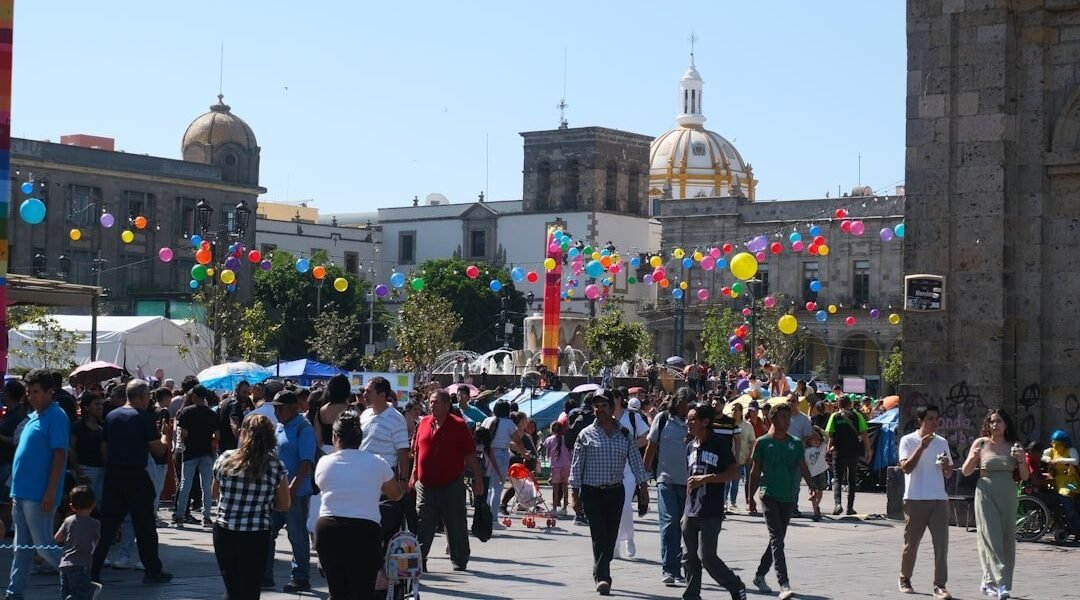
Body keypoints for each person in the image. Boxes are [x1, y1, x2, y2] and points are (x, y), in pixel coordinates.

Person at [90, 379, 173, 586]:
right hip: (136, 475)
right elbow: (158, 450)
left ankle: (93, 569)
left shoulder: (111, 416)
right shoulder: (144, 419)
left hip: (114, 475)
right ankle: (153, 571)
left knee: (108, 526)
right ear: (143, 397)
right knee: (145, 525)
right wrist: (164, 436)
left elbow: (104, 449)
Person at [315, 411, 403, 600]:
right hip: (364, 531)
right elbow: (395, 494)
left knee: (336, 591)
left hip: (328, 529)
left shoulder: (324, 462)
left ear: (335, 436)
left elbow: (321, 485)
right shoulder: (377, 462)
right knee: (362, 591)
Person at [569, 393, 650, 596]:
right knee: (599, 535)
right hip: (592, 492)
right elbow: (576, 467)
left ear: (612, 408)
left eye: (604, 405)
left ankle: (601, 567)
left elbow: (635, 461)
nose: (599, 409)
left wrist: (643, 487)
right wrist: (574, 494)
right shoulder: (585, 434)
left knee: (611, 536)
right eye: (596, 406)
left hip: (615, 491)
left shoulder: (624, 434)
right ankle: (603, 577)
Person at [5, 369, 70, 600]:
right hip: (21, 493)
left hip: (38, 494)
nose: (30, 396)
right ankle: (15, 592)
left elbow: (60, 455)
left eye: (35, 392)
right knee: (21, 548)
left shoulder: (57, 416)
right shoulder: (34, 417)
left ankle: (80, 582)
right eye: (28, 392)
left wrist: (50, 491)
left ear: (49, 392)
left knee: (44, 546)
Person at [212, 414, 290, 600]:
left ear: (243, 433)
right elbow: (285, 504)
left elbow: (215, 493)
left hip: (225, 530)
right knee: (251, 588)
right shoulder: (275, 466)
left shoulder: (225, 458)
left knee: (231, 587)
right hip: (256, 533)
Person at [748, 403, 820, 600]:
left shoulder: (796, 443)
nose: (787, 422)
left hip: (788, 497)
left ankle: (759, 575)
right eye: (783, 418)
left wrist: (812, 486)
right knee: (777, 539)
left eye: (789, 418)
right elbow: (754, 472)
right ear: (773, 419)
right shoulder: (762, 443)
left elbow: (803, 466)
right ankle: (784, 583)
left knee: (776, 540)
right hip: (768, 494)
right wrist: (750, 498)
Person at [410, 390, 485, 572]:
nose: (431, 405)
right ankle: (420, 559)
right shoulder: (424, 423)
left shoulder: (458, 425)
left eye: (435, 402)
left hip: (451, 484)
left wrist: (478, 480)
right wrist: (414, 473)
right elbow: (417, 451)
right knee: (422, 522)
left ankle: (459, 559)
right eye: (430, 402)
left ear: (446, 405)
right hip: (425, 484)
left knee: (455, 522)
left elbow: (470, 454)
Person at [961, 409, 1028, 600]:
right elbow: (965, 471)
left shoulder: (1014, 446)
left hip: (1008, 493)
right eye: (991, 422)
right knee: (991, 537)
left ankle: (989, 580)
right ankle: (1000, 583)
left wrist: (1021, 460)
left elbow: (1024, 476)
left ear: (1006, 424)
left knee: (1007, 539)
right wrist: (974, 457)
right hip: (986, 492)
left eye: (998, 421)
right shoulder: (981, 443)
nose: (994, 425)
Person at [681, 402, 745, 600]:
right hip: (691, 510)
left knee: (707, 557)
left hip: (711, 509)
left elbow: (734, 473)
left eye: (692, 419)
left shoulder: (718, 444)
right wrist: (684, 511)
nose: (688, 422)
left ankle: (735, 585)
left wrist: (708, 478)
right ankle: (692, 595)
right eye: (687, 418)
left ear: (705, 421)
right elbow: (690, 479)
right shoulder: (690, 446)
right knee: (689, 557)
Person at [897, 404, 953, 599]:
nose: (934, 423)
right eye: (930, 419)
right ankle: (905, 577)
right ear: (920, 421)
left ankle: (940, 585)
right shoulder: (908, 440)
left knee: (941, 544)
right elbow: (906, 468)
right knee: (911, 543)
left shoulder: (942, 442)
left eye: (937, 419)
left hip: (939, 499)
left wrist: (947, 467)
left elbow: (948, 474)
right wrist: (922, 447)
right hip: (915, 499)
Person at [264, 391, 316, 593]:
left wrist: (293, 487)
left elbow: (306, 462)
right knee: (268, 533)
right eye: (275, 408)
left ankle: (301, 577)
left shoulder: (304, 428)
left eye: (281, 407)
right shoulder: (279, 427)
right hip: (276, 491)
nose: (277, 412)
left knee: (297, 535)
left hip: (296, 493)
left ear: (294, 407)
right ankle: (265, 575)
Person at [643, 387, 691, 586]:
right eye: (681, 406)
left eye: (687, 407)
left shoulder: (694, 424)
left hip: (689, 483)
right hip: (666, 480)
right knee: (669, 523)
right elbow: (651, 447)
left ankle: (680, 566)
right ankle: (669, 569)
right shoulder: (662, 419)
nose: (684, 410)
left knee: (683, 526)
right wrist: (642, 478)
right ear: (675, 403)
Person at [173, 385, 218, 527]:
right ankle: (206, 517)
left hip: (190, 452)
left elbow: (183, 433)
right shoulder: (212, 414)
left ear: (193, 396)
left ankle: (179, 516)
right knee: (206, 485)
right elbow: (217, 435)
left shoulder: (186, 412)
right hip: (206, 452)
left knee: (185, 484)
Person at [612, 388, 649, 558]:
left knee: (625, 505)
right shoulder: (606, 419)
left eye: (612, 398)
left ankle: (628, 538)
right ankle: (617, 543)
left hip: (630, 468)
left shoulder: (632, 417)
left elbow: (646, 437)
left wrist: (630, 445)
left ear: (619, 399)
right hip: (610, 469)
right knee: (614, 508)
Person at [824, 395, 872, 515]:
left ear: (838, 405)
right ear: (850, 404)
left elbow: (830, 434)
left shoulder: (834, 416)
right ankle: (850, 507)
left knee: (837, 479)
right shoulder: (857, 415)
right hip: (853, 452)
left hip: (839, 452)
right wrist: (868, 450)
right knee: (851, 479)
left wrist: (829, 447)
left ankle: (837, 504)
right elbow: (865, 434)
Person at [53, 485, 101, 600]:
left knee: (66, 591)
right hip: (82, 563)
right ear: (93, 505)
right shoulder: (95, 524)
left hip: (65, 563)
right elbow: (96, 541)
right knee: (80, 593)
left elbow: (57, 538)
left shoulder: (68, 520)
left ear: (71, 506)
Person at [483, 401, 523, 528]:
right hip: (501, 453)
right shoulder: (509, 423)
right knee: (497, 487)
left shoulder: (487, 420)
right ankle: (494, 519)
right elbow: (518, 439)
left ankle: (487, 515)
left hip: (487, 453)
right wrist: (524, 453)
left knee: (489, 487)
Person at [1042, 430, 1080, 538]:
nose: (1056, 445)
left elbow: (1075, 460)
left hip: (1071, 481)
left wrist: (1059, 460)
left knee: (1066, 497)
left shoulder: (1070, 450)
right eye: (1054, 442)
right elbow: (1041, 456)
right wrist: (1048, 459)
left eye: (1059, 443)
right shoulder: (1051, 451)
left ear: (1064, 443)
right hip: (1057, 480)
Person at [69, 393, 106, 504]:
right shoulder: (77, 426)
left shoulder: (104, 426)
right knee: (84, 503)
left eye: (101, 404)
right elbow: (71, 450)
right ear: (86, 407)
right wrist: (80, 472)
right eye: (96, 404)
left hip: (102, 470)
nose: (100, 407)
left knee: (99, 503)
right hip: (85, 470)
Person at [785, 394, 813, 516]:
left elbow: (807, 437)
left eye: (793, 401)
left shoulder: (804, 419)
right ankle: (783, 506)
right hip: (781, 455)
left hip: (797, 456)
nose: (791, 403)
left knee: (795, 483)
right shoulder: (782, 417)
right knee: (782, 481)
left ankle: (793, 506)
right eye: (788, 401)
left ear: (797, 403)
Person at [726, 403, 752, 512]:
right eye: (733, 410)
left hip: (741, 458)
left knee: (735, 483)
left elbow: (753, 441)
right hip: (727, 458)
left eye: (736, 410)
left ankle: (733, 503)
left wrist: (750, 455)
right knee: (725, 483)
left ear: (741, 411)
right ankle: (723, 503)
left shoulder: (747, 426)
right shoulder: (726, 424)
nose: (734, 412)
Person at [543, 422, 571, 516]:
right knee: (565, 487)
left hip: (556, 465)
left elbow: (546, 451)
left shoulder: (549, 439)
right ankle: (564, 508)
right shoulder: (566, 439)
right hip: (566, 464)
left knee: (556, 488)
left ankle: (554, 508)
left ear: (551, 429)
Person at [803, 427, 829, 521]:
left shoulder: (821, 448)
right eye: (814, 440)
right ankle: (815, 512)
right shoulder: (806, 451)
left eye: (818, 440)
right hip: (812, 474)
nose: (817, 442)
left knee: (820, 492)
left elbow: (827, 437)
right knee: (814, 493)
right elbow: (804, 464)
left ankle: (817, 506)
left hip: (821, 472)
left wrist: (819, 429)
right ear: (809, 441)